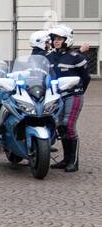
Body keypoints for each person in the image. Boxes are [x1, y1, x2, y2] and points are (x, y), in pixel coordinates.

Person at [47, 24, 89, 172]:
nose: (56, 41)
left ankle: (74, 162)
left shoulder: (76, 57)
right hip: (56, 96)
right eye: (54, 39)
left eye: (59, 38)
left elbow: (86, 77)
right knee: (60, 126)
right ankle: (65, 160)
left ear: (67, 40)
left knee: (68, 125)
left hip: (73, 95)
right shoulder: (49, 57)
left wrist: (78, 91)